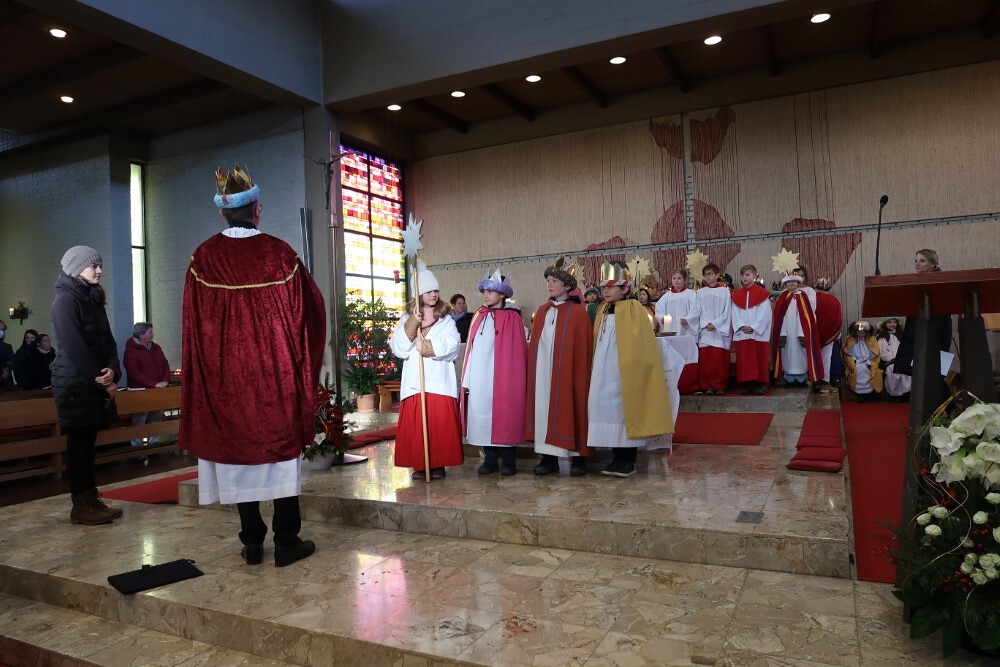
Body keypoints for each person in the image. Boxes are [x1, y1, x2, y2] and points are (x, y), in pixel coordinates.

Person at [181, 164, 326, 567]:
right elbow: (312, 314)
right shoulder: (281, 255)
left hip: (227, 385)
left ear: (222, 213)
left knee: (238, 456)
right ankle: (286, 540)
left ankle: (252, 542)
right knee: (279, 456)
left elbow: (193, 328)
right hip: (276, 381)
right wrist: (301, 368)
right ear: (257, 210)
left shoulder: (202, 259)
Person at [50, 246, 123, 525]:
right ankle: (80, 505)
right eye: (94, 266)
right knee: (79, 446)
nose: (99, 270)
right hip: (74, 384)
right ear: (76, 268)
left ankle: (91, 499)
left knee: (88, 445)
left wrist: (113, 369)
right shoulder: (65, 301)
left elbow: (108, 341)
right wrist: (100, 379)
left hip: (91, 382)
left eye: (100, 265)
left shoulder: (92, 298)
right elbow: (75, 347)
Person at [589, 261, 672, 478]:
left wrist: (632, 365)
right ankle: (616, 458)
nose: (605, 291)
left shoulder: (634, 309)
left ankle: (628, 460)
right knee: (608, 410)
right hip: (603, 369)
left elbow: (640, 341)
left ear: (625, 288)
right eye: (603, 287)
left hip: (624, 369)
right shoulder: (602, 309)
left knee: (625, 411)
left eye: (611, 286)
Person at [392, 261, 463, 480]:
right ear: (419, 294)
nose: (433, 294)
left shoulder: (446, 320)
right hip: (416, 382)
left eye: (435, 290)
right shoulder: (407, 319)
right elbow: (398, 348)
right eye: (428, 291)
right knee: (418, 427)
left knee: (438, 425)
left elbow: (453, 345)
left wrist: (429, 347)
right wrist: (413, 323)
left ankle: (438, 464)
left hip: (438, 382)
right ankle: (420, 465)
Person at [525, 257, 591, 477]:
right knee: (544, 408)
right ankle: (548, 458)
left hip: (569, 372)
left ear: (567, 286)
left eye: (554, 281)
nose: (550, 285)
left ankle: (579, 457)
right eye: (548, 281)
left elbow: (582, 348)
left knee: (574, 404)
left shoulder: (578, 312)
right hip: (544, 371)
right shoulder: (543, 311)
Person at [461, 270, 527, 476]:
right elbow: (471, 347)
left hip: (504, 375)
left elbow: (517, 350)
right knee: (483, 415)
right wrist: (469, 376)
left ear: (502, 294)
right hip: (481, 375)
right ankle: (490, 459)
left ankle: (509, 460)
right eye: (484, 291)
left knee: (506, 414)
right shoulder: (479, 315)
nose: (486, 295)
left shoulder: (513, 317)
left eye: (490, 291)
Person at [893, 249, 952, 377]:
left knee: (932, 377)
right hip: (917, 335)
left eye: (922, 261)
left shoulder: (941, 283)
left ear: (933, 264)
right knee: (919, 377)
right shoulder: (915, 283)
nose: (917, 264)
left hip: (932, 335)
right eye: (916, 261)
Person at [123, 322, 171, 447]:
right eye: (150, 332)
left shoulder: (156, 348)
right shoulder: (131, 351)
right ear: (141, 335)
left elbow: (165, 364)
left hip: (158, 388)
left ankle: (154, 444)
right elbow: (134, 373)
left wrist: (165, 380)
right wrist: (154, 383)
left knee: (156, 417)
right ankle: (137, 447)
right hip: (140, 390)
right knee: (139, 420)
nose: (153, 335)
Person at [654, 269, 701, 394]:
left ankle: (690, 386)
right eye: (674, 278)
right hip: (671, 333)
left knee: (687, 358)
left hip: (687, 331)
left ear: (684, 280)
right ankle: (673, 387)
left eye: (679, 278)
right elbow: (659, 310)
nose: (676, 281)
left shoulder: (691, 294)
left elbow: (696, 310)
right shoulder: (666, 297)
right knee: (672, 359)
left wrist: (688, 320)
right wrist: (661, 318)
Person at [771, 274, 823, 388]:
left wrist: (802, 333)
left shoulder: (803, 296)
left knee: (801, 354)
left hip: (801, 332)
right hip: (787, 332)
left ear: (798, 283)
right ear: (785, 284)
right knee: (787, 354)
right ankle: (789, 379)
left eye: (793, 282)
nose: (791, 284)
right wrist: (782, 333)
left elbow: (806, 316)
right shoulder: (782, 297)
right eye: (789, 282)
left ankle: (801, 379)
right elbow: (780, 316)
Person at [730, 265, 772, 395]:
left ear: (754, 276)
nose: (745, 277)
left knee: (760, 357)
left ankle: (761, 383)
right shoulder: (736, 296)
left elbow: (765, 313)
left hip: (757, 334)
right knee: (744, 359)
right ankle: (747, 383)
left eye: (748, 275)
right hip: (742, 333)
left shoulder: (762, 295)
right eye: (743, 275)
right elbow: (734, 313)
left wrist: (754, 327)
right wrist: (741, 326)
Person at [694, 263, 731, 395]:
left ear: (717, 275)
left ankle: (719, 385)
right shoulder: (700, 292)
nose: (708, 277)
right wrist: (705, 324)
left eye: (710, 274)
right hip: (705, 329)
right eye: (705, 275)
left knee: (718, 359)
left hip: (719, 329)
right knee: (706, 359)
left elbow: (727, 311)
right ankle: (707, 385)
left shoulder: (724, 291)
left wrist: (715, 323)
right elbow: (698, 310)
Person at [843, 321, 883, 402]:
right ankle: (859, 394)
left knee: (870, 371)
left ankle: (868, 393)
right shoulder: (850, 340)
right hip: (855, 362)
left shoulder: (872, 339)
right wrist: (855, 361)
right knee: (857, 370)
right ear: (855, 332)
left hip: (869, 361)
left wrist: (868, 362)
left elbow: (876, 353)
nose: (861, 335)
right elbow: (847, 353)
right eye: (859, 333)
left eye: (863, 333)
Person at [877, 317, 911, 401]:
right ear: (885, 324)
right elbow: (881, 352)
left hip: (901, 360)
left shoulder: (901, 336)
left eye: (894, 322)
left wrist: (902, 358)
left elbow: (906, 349)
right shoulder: (881, 337)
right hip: (888, 361)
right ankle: (895, 394)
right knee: (892, 369)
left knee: (906, 369)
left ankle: (906, 393)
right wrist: (892, 359)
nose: (892, 324)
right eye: (889, 322)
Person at [0, 320, 13, 391]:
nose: (1, 332)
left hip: (8, 387)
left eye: (3, 330)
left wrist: (7, 371)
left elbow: (12, 362)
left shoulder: (7, 347)